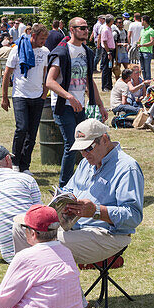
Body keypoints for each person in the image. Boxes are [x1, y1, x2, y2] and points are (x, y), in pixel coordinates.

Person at [52, 119, 144, 266]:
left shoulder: (127, 168)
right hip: (75, 229)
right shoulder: (86, 163)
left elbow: (133, 217)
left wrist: (96, 211)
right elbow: (69, 190)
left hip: (108, 235)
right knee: (23, 228)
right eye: (81, 150)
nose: (84, 154)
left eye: (88, 148)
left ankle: (64, 288)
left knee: (45, 245)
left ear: (105, 139)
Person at [46, 17, 107, 188]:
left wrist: (101, 105)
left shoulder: (87, 52)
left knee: (88, 142)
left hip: (80, 105)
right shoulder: (62, 52)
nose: (86, 30)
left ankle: (86, 180)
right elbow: (50, 81)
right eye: (81, 28)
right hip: (63, 105)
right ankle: (64, 186)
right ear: (71, 30)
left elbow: (89, 81)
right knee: (72, 144)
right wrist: (69, 97)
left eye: (87, 28)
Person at [0, 24, 49, 175]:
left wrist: (45, 92)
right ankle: (15, 162)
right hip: (20, 94)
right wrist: (4, 97)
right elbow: (7, 74)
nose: (43, 42)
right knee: (22, 128)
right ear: (33, 36)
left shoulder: (45, 52)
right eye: (41, 39)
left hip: (38, 96)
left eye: (45, 39)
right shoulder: (17, 49)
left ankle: (25, 165)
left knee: (32, 133)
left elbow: (46, 74)